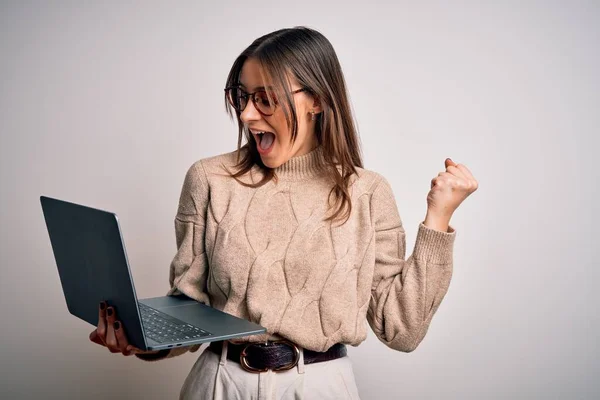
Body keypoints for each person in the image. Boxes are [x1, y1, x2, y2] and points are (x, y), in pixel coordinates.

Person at [89, 26, 478, 399]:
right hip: (220, 384)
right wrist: (142, 338)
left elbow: (401, 330)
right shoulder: (209, 178)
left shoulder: (368, 192)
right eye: (241, 97)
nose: (246, 115)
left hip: (320, 387)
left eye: (265, 98)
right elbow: (189, 305)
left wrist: (438, 218)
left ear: (318, 100)